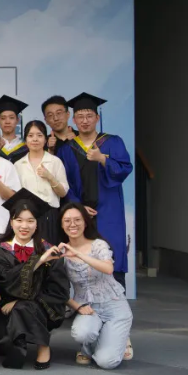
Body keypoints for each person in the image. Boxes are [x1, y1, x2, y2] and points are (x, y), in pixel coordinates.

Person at [56, 92, 133, 288]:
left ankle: (116, 301)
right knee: (82, 256)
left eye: (89, 116)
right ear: (73, 120)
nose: (85, 121)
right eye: (80, 116)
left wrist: (102, 159)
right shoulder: (66, 149)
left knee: (112, 253)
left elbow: (125, 169)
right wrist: (78, 207)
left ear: (97, 118)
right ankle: (85, 302)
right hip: (81, 212)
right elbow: (64, 184)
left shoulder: (113, 142)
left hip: (109, 210)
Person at [0, 189, 69, 370]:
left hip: (42, 308)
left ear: (37, 224)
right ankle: (16, 342)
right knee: (6, 337)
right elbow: (5, 281)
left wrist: (20, 300)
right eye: (19, 220)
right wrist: (37, 262)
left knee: (22, 308)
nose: (24, 226)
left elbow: (58, 290)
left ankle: (43, 346)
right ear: (11, 222)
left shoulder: (49, 251)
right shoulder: (1, 249)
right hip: (5, 308)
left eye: (30, 221)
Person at [59, 203, 133, 369]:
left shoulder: (98, 244)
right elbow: (56, 288)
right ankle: (89, 346)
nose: (73, 224)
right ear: (61, 225)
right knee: (82, 333)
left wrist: (78, 253)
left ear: (86, 222)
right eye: (67, 221)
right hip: (87, 307)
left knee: (106, 362)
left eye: (78, 220)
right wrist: (76, 306)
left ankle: (119, 336)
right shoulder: (61, 252)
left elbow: (108, 268)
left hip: (114, 304)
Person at [13, 120, 69, 245]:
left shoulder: (55, 161)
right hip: (26, 217)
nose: (35, 139)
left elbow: (63, 193)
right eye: (30, 135)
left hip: (49, 215)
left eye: (39, 135)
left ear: (45, 139)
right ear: (25, 140)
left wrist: (50, 177)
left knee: (50, 252)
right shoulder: (18, 165)